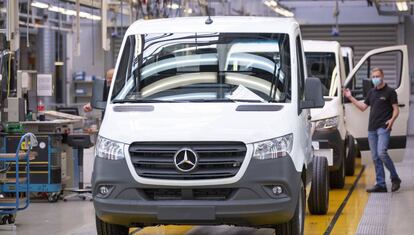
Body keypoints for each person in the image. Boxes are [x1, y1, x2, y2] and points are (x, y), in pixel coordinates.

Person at [344, 67, 401, 193]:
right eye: (373, 77)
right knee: (375, 157)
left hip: (383, 127)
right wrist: (350, 97)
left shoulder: (390, 92)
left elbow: (396, 109)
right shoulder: (371, 92)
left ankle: (395, 177)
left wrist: (391, 121)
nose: (375, 79)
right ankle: (381, 184)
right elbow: (363, 107)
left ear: (382, 76)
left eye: (377, 76)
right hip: (372, 129)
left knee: (382, 153)